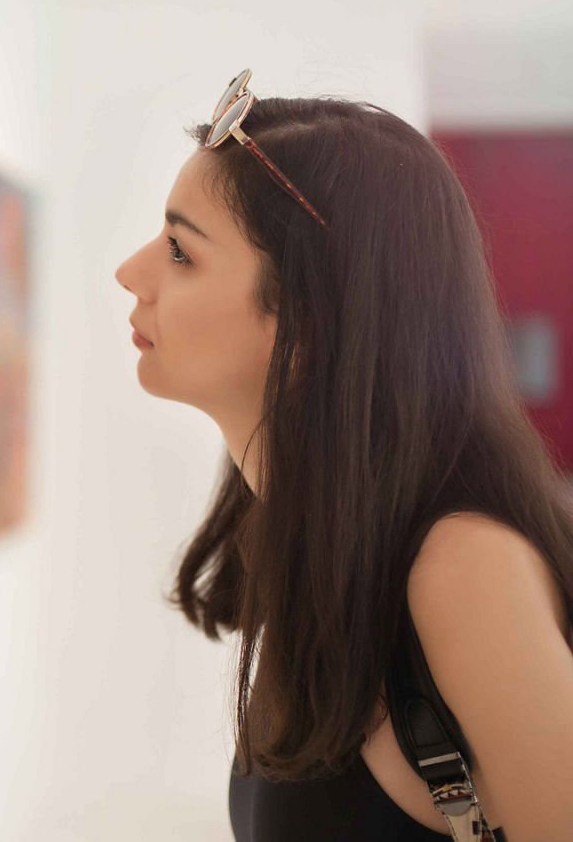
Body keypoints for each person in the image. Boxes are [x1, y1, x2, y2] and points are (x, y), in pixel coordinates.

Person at [114, 70, 573, 841]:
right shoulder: (310, 535)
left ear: (310, 321)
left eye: (180, 252)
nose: (132, 274)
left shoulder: (461, 568)